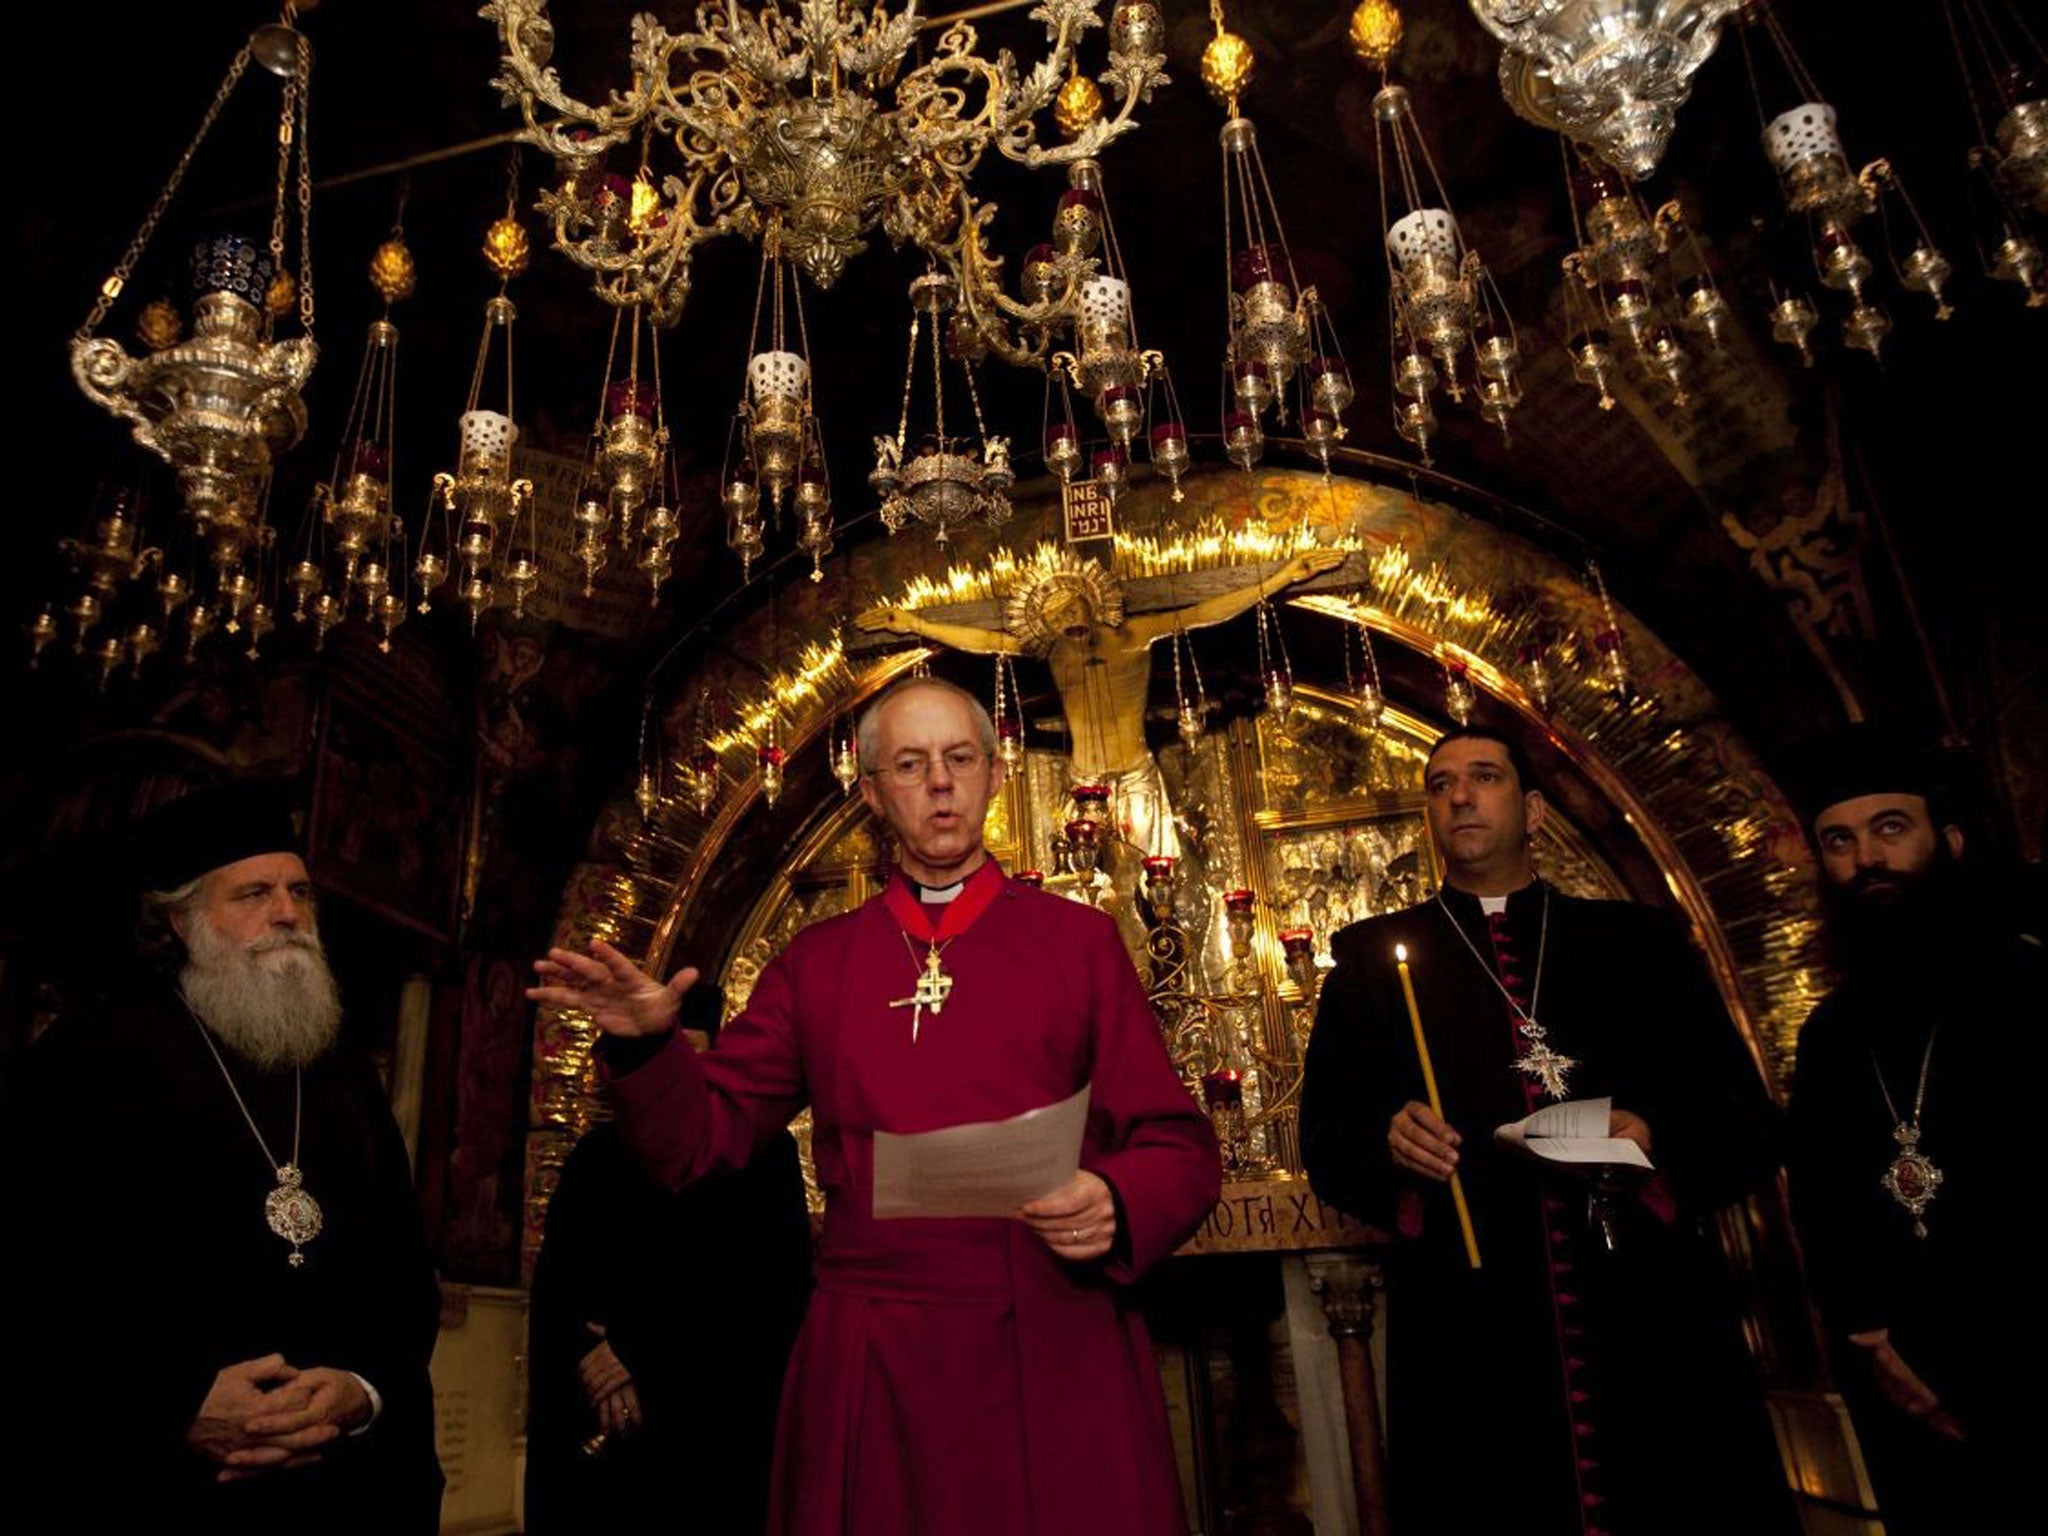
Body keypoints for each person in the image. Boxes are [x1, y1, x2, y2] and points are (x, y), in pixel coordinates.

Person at [529, 675, 1221, 1536]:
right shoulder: (817, 964)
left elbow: (1180, 1148)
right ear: (870, 792)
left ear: (995, 774)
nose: (940, 781)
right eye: (911, 762)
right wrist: (644, 1045)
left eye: (960, 758)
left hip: (1050, 1333)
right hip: (874, 1353)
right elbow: (697, 1141)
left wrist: (1116, 1203)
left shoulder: (1077, 944)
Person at [1299, 726, 1793, 1536]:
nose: (1459, 796)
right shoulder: (1366, 963)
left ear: (1531, 810)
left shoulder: (1641, 943)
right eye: (1440, 783)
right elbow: (1324, 1136)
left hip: (1645, 1306)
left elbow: (1746, 1120)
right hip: (1472, 1320)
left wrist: (1653, 1133)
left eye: (1484, 777)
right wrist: (1390, 1145)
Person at [0, 782, 443, 1533]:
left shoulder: (340, 1073)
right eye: (254, 893)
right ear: (181, 919)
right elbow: (34, 1278)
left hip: (342, 1489)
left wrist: (361, 1390)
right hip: (155, 1483)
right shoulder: (85, 1058)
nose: (287, 914)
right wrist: (171, 1405)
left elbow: (404, 1273)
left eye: (300, 891)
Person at [1785, 725, 2034, 1532]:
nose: (1867, 861)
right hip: (1903, 1395)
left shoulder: (2028, 983)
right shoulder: (1828, 1035)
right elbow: (1823, 1219)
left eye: (1891, 828)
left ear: (1949, 840)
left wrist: (1973, 1370)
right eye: (1840, 842)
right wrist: (1882, 1351)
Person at [524, 981, 813, 1535]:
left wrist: (641, 1352)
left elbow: (773, 1297)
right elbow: (559, 1298)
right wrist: (595, 1363)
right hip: (605, 1450)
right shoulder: (595, 1159)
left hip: (713, 1442)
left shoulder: (762, 1155)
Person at [856, 546, 1344, 857]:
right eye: (1054, 615)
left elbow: (1202, 611)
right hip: (1083, 780)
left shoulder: (1131, 634)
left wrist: (1280, 578)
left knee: (1160, 876)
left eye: (1071, 607)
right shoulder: (1050, 651)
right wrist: (916, 625)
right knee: (1082, 890)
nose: (1066, 618)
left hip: (1135, 772)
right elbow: (984, 641)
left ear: (1092, 601)